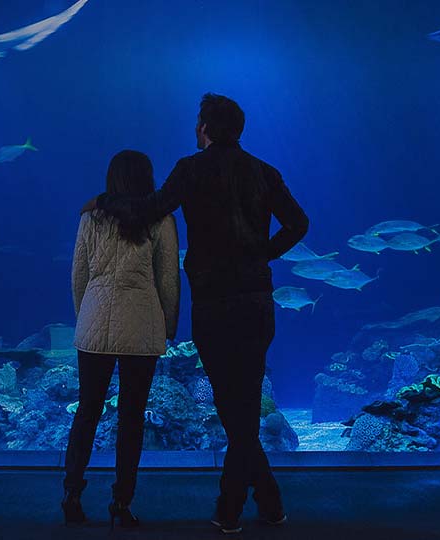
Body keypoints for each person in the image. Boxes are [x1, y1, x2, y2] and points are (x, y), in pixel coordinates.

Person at [89, 93, 309, 534]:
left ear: (205, 129)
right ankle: (268, 501)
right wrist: (261, 255)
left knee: (234, 408)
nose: (195, 130)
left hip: (213, 302)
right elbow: (299, 224)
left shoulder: (191, 169)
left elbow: (149, 209)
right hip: (255, 301)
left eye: (197, 124)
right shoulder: (264, 173)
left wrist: (104, 202)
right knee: (240, 406)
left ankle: (231, 509)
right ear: (239, 130)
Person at [62, 150, 181, 528]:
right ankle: (122, 502)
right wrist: (169, 324)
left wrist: (85, 317)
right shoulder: (161, 219)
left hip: (94, 322)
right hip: (141, 324)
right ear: (147, 178)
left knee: (87, 412)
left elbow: (78, 274)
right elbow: (168, 280)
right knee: (132, 418)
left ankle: (72, 493)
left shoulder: (90, 218)